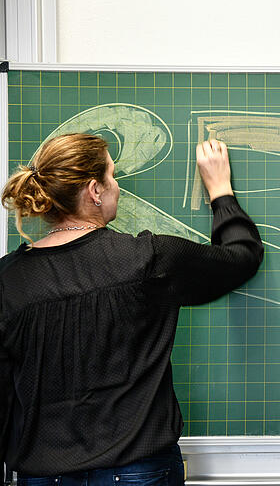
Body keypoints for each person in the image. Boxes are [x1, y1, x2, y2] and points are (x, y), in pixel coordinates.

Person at [0, 134, 263, 484]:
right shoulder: (146, 259)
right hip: (139, 470)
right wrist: (220, 192)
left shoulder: (8, 279)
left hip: (44, 475)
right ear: (95, 190)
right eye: (112, 176)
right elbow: (241, 258)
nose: (116, 187)